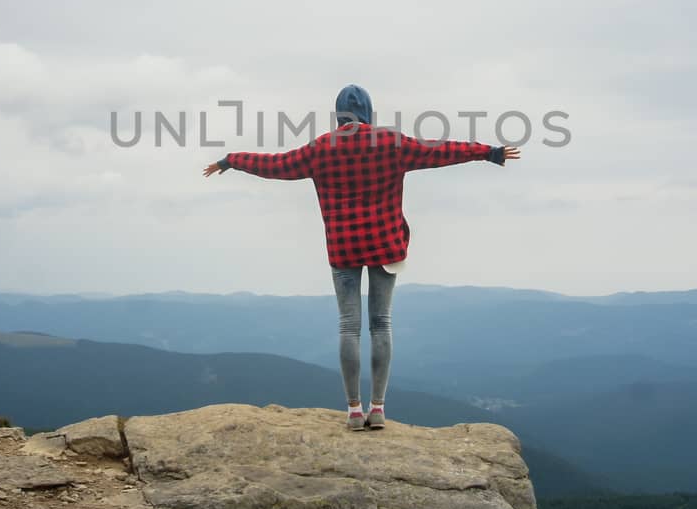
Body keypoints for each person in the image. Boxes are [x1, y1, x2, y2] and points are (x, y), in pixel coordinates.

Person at [203, 84, 520, 431]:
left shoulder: (321, 148)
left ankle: (354, 410)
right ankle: (378, 408)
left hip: (343, 248)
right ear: (370, 111)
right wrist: (487, 152)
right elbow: (441, 151)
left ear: (338, 114)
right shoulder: (390, 143)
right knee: (381, 323)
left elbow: (276, 165)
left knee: (348, 327)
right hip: (386, 244)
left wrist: (231, 160)